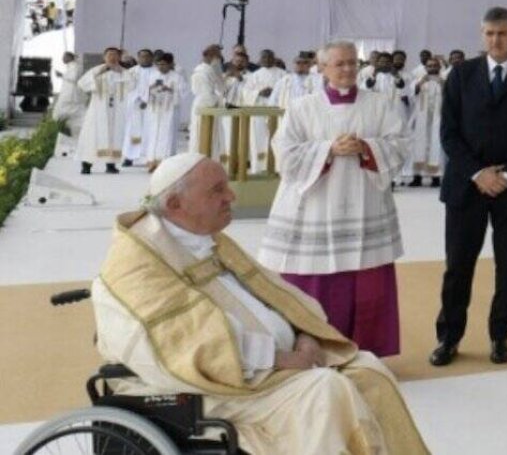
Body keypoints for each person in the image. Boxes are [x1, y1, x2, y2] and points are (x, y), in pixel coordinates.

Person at [91, 153, 428, 454]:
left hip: (281, 363)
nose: (231, 196)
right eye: (217, 190)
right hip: (212, 384)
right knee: (325, 391)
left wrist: (305, 337)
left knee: (370, 373)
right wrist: (283, 359)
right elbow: (184, 343)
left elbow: (278, 296)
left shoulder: (205, 237)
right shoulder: (139, 260)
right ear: (176, 205)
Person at [258, 40, 411, 357]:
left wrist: (367, 148)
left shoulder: (378, 104)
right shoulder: (303, 107)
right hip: (316, 208)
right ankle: (314, 348)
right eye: (339, 64)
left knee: (366, 280)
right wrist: (328, 149)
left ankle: (366, 349)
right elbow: (284, 155)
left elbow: (400, 144)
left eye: (352, 63)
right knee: (315, 279)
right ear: (322, 68)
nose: (347, 70)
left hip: (364, 203)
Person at [431, 6, 507, 367]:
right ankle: (449, 337)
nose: (495, 40)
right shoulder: (462, 74)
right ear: (481, 35)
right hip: (467, 187)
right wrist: (478, 174)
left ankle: (501, 335)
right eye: (489, 34)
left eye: (502, 33)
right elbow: (448, 133)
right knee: (458, 266)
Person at [77, 47, 134, 175]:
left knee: (114, 136)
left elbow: (133, 85)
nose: (112, 58)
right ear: (104, 57)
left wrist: (120, 72)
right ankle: (87, 164)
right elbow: (82, 84)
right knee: (93, 136)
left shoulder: (124, 72)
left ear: (119, 57)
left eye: (115, 55)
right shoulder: (97, 70)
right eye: (109, 55)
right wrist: (100, 72)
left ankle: (111, 164)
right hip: (98, 110)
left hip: (116, 110)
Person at [243, 50, 286, 174]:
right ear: (260, 59)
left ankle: (277, 165)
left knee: (277, 137)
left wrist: (275, 92)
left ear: (274, 58)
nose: (266, 59)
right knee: (259, 138)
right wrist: (259, 92)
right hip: (259, 111)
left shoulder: (283, 75)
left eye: (269, 57)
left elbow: (287, 92)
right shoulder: (254, 75)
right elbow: (245, 93)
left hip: (277, 111)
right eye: (264, 57)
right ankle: (259, 166)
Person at [142, 53, 184, 172]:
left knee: (167, 136)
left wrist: (169, 89)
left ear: (170, 64)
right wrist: (151, 88)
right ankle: (152, 162)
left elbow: (183, 93)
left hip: (169, 111)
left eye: (163, 64)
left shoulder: (177, 77)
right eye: (158, 64)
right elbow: (144, 91)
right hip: (155, 110)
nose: (160, 67)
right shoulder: (152, 75)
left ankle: (165, 163)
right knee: (153, 135)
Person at [409, 56, 445, 187]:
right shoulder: (418, 80)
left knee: (437, 145)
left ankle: (436, 177)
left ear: (439, 67)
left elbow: (451, 96)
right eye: (429, 66)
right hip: (421, 118)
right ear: (426, 68)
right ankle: (417, 176)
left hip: (438, 117)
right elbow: (412, 95)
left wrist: (442, 83)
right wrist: (421, 83)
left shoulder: (445, 80)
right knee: (419, 145)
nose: (432, 68)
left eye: (435, 65)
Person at [189, 44, 227, 160]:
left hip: (212, 109)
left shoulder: (211, 70)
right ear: (210, 56)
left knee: (213, 138)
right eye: (218, 57)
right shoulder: (201, 72)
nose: (220, 60)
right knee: (202, 137)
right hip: (204, 108)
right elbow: (206, 96)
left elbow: (219, 88)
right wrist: (221, 100)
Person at [121, 49, 158, 167]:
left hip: (151, 106)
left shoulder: (157, 72)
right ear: (138, 58)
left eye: (147, 56)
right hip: (134, 106)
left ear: (152, 58)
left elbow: (158, 88)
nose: (144, 59)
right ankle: (129, 156)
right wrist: (138, 99)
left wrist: (146, 99)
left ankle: (149, 157)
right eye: (142, 57)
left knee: (150, 131)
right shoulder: (131, 72)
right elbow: (127, 88)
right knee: (132, 131)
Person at [52, 51, 87, 139]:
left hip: (71, 94)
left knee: (66, 111)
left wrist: (62, 75)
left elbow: (74, 78)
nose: (62, 59)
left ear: (69, 58)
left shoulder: (74, 66)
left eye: (64, 57)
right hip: (68, 94)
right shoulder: (71, 66)